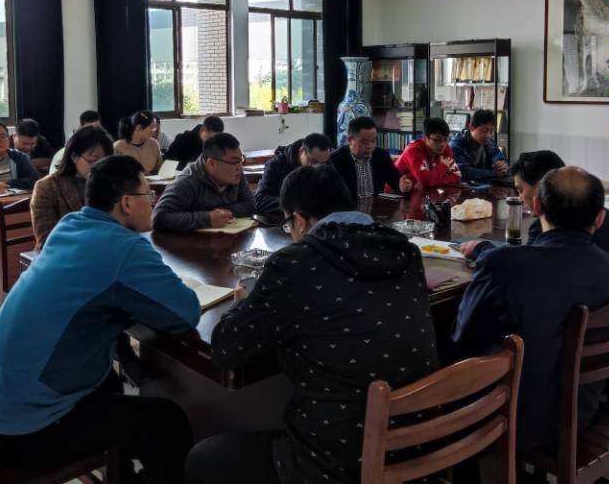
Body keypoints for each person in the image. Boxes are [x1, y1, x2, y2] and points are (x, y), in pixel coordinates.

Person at [184, 164, 439, 484]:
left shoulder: (294, 263)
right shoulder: (405, 251)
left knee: (203, 458)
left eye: (288, 224)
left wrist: (242, 301)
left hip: (339, 463)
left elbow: (226, 348)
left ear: (300, 221)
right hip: (421, 448)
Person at [0, 156, 199, 481]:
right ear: (127, 203)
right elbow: (185, 312)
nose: (153, 201)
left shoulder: (69, 226)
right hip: (25, 432)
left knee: (111, 384)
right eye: (148, 194)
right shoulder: (124, 248)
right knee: (169, 423)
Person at [452, 166, 609, 451]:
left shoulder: (505, 266)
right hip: (584, 408)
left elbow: (463, 338)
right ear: (600, 218)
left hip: (510, 416)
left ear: (536, 206)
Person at [459, 150, 609, 286]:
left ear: (542, 188)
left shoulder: (550, 226)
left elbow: (526, 268)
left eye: (521, 190)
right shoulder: (597, 217)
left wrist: (484, 250)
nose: (520, 198)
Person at [30, 126, 114, 249]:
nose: (99, 167)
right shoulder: (47, 187)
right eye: (92, 160)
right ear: (74, 156)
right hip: (65, 254)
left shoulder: (111, 184)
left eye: (104, 161)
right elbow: (47, 240)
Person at [151, 132, 255, 232]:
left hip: (230, 237)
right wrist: (207, 218)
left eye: (240, 160)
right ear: (212, 163)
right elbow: (159, 217)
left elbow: (250, 205)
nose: (240, 167)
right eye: (234, 162)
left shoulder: (236, 175)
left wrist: (223, 212)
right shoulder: (188, 181)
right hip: (191, 242)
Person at [329, 116, 412, 199]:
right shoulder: (335, 160)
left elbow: (397, 182)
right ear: (350, 140)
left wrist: (403, 188)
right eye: (364, 142)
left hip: (376, 206)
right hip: (349, 207)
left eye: (373, 141)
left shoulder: (381, 155)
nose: (370, 146)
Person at [253, 133, 331, 213]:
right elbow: (260, 200)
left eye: (323, 163)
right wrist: (297, 207)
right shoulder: (277, 165)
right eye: (313, 161)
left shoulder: (325, 163)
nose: (318, 167)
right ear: (301, 151)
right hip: (285, 217)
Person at [394, 117, 462, 189]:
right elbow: (426, 181)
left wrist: (432, 182)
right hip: (395, 192)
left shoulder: (445, 149)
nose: (442, 144)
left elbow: (457, 176)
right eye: (437, 140)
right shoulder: (413, 150)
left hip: (422, 190)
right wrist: (443, 166)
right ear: (425, 138)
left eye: (446, 140)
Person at [449, 109, 508, 182]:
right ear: (471, 127)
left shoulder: (489, 142)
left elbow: (501, 160)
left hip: (484, 185)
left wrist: (502, 166)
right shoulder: (456, 144)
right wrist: (494, 173)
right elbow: (463, 172)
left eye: (491, 131)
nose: (488, 135)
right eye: (484, 131)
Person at [49, 110, 103, 175]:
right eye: (90, 161)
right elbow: (55, 177)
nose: (96, 134)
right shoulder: (62, 155)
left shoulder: (102, 150)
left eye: (98, 130)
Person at [114, 110, 163, 174]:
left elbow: (159, 169)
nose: (154, 130)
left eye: (155, 127)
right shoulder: (118, 147)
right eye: (151, 127)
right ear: (139, 127)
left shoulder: (154, 143)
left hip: (153, 179)